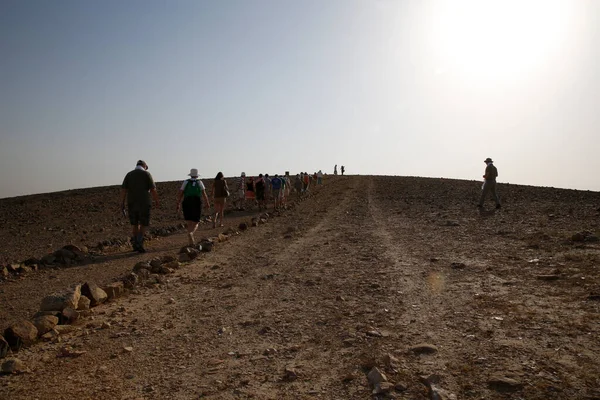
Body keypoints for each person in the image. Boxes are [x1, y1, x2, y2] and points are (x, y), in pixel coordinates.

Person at [120, 160, 159, 253]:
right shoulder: (146, 174)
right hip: (144, 203)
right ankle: (139, 243)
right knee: (143, 223)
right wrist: (156, 200)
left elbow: (124, 190)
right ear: (144, 166)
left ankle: (135, 244)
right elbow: (153, 189)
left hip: (132, 203)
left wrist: (122, 203)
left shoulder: (129, 175)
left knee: (135, 224)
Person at [176, 169, 210, 246]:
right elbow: (204, 193)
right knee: (196, 221)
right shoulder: (199, 182)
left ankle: (190, 240)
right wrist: (207, 203)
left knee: (189, 221)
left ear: (190, 175)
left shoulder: (186, 182)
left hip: (187, 201)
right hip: (196, 202)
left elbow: (181, 192)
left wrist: (178, 203)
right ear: (197, 175)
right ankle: (191, 233)